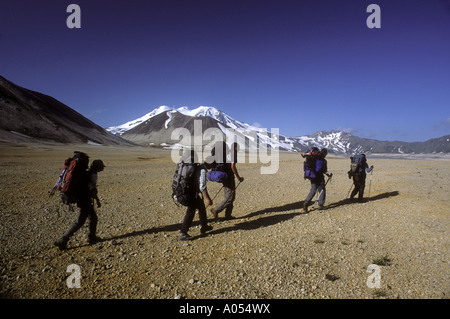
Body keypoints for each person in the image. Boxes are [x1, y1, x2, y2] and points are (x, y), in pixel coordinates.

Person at [54, 158, 104, 250]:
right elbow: (92, 189)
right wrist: (97, 200)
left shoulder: (86, 173)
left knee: (93, 218)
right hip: (85, 200)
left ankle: (91, 237)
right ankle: (63, 239)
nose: (102, 169)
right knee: (79, 222)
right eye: (101, 167)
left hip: (82, 199)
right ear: (98, 167)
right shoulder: (92, 175)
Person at [178, 154, 214, 241]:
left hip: (185, 192)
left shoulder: (198, 167)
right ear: (210, 163)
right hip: (188, 194)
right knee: (191, 210)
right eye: (213, 164)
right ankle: (183, 233)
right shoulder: (203, 171)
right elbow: (202, 187)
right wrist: (208, 199)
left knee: (201, 206)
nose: (213, 166)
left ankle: (204, 227)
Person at [210, 142, 244, 220]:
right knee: (230, 197)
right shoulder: (233, 153)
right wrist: (238, 177)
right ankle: (215, 210)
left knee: (228, 195)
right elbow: (232, 166)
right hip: (229, 177)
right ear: (236, 147)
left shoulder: (227, 153)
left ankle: (228, 215)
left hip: (224, 175)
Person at [303, 148, 332, 213]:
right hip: (319, 177)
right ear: (325, 154)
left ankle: (306, 203)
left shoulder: (313, 157)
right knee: (322, 190)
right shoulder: (323, 160)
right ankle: (320, 205)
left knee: (313, 190)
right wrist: (328, 175)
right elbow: (325, 170)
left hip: (312, 175)